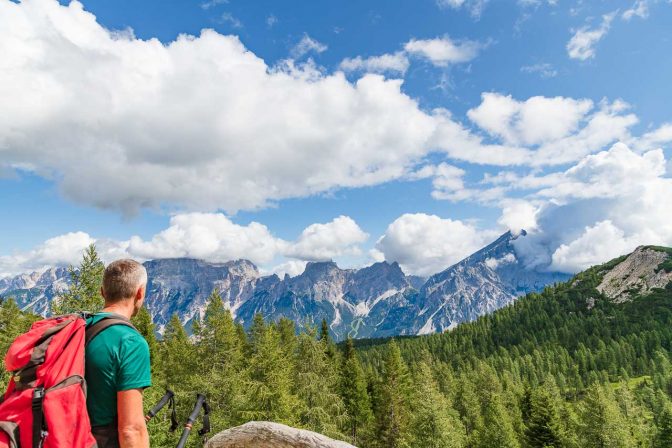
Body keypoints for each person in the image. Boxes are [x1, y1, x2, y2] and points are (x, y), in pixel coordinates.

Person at [85, 259, 152, 448]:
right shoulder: (130, 342)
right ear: (140, 293)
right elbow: (131, 430)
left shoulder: (78, 327)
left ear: (102, 292)